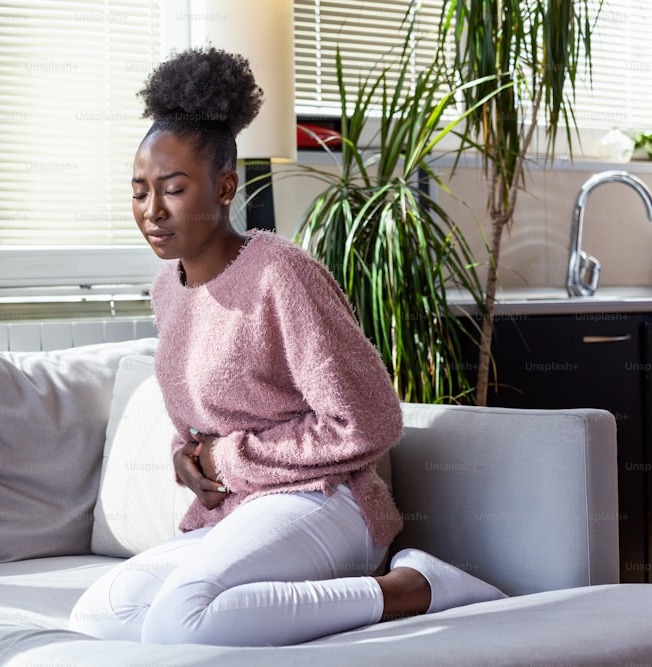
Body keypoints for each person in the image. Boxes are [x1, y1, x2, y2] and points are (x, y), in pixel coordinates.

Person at [68, 46, 506, 647]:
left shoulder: (282, 276)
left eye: (172, 188)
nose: (152, 211)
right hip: (241, 511)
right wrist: (187, 459)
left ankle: (416, 587)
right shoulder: (168, 289)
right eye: (140, 190)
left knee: (180, 622)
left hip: (326, 503)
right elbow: (203, 423)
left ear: (226, 186)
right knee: (99, 616)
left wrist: (230, 460)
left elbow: (371, 420)